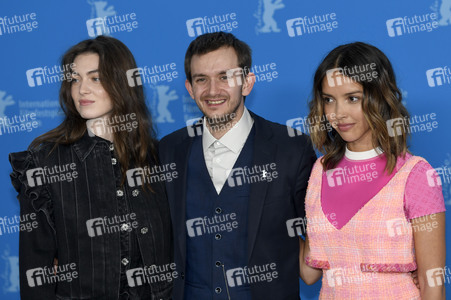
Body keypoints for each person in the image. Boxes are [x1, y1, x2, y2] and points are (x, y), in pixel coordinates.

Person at [9, 36, 173, 299]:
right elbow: (35, 272)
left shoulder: (158, 156)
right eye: (75, 79)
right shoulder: (45, 163)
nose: (82, 89)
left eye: (95, 78)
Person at [159, 31, 316, 299]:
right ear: (189, 88)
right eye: (201, 80)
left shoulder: (292, 148)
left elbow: (319, 241)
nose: (212, 91)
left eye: (225, 77)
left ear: (246, 83)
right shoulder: (168, 150)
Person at [299, 42, 446, 299]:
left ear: (378, 97)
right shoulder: (320, 171)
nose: (338, 113)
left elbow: (431, 282)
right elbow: (310, 273)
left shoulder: (416, 175)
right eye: (329, 100)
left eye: (352, 98)